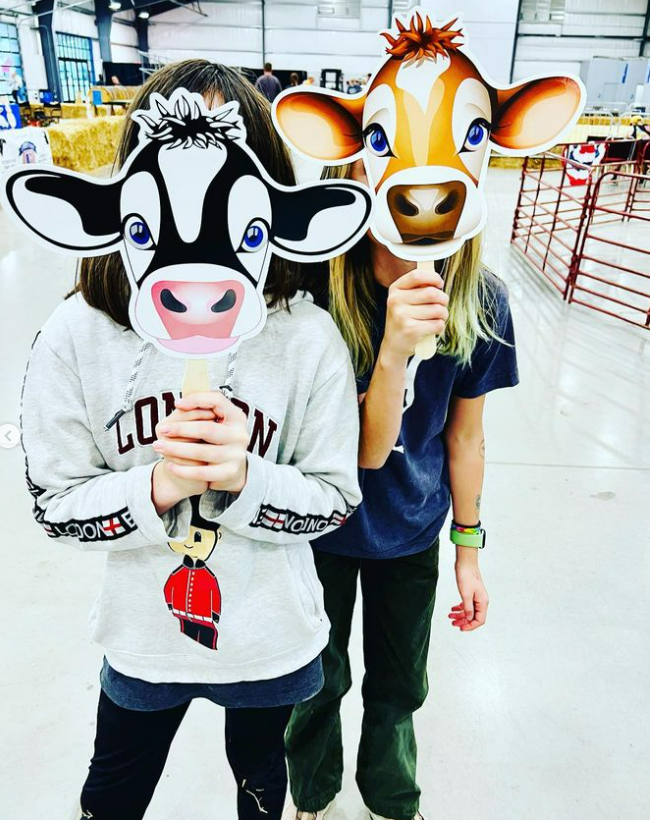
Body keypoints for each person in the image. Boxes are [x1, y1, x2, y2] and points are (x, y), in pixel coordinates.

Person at [20, 59, 362, 820]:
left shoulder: (308, 337)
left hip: (272, 641)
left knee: (261, 785)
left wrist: (246, 478)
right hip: (143, 640)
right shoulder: (75, 334)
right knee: (113, 790)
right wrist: (158, 487)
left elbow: (336, 500)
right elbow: (54, 505)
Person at [286, 160, 519, 820]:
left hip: (411, 528)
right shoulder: (310, 288)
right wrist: (392, 352)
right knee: (313, 678)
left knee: (398, 687)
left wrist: (468, 553)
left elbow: (465, 437)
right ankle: (312, 794)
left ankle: (391, 800)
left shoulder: (480, 300)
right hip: (315, 529)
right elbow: (353, 448)